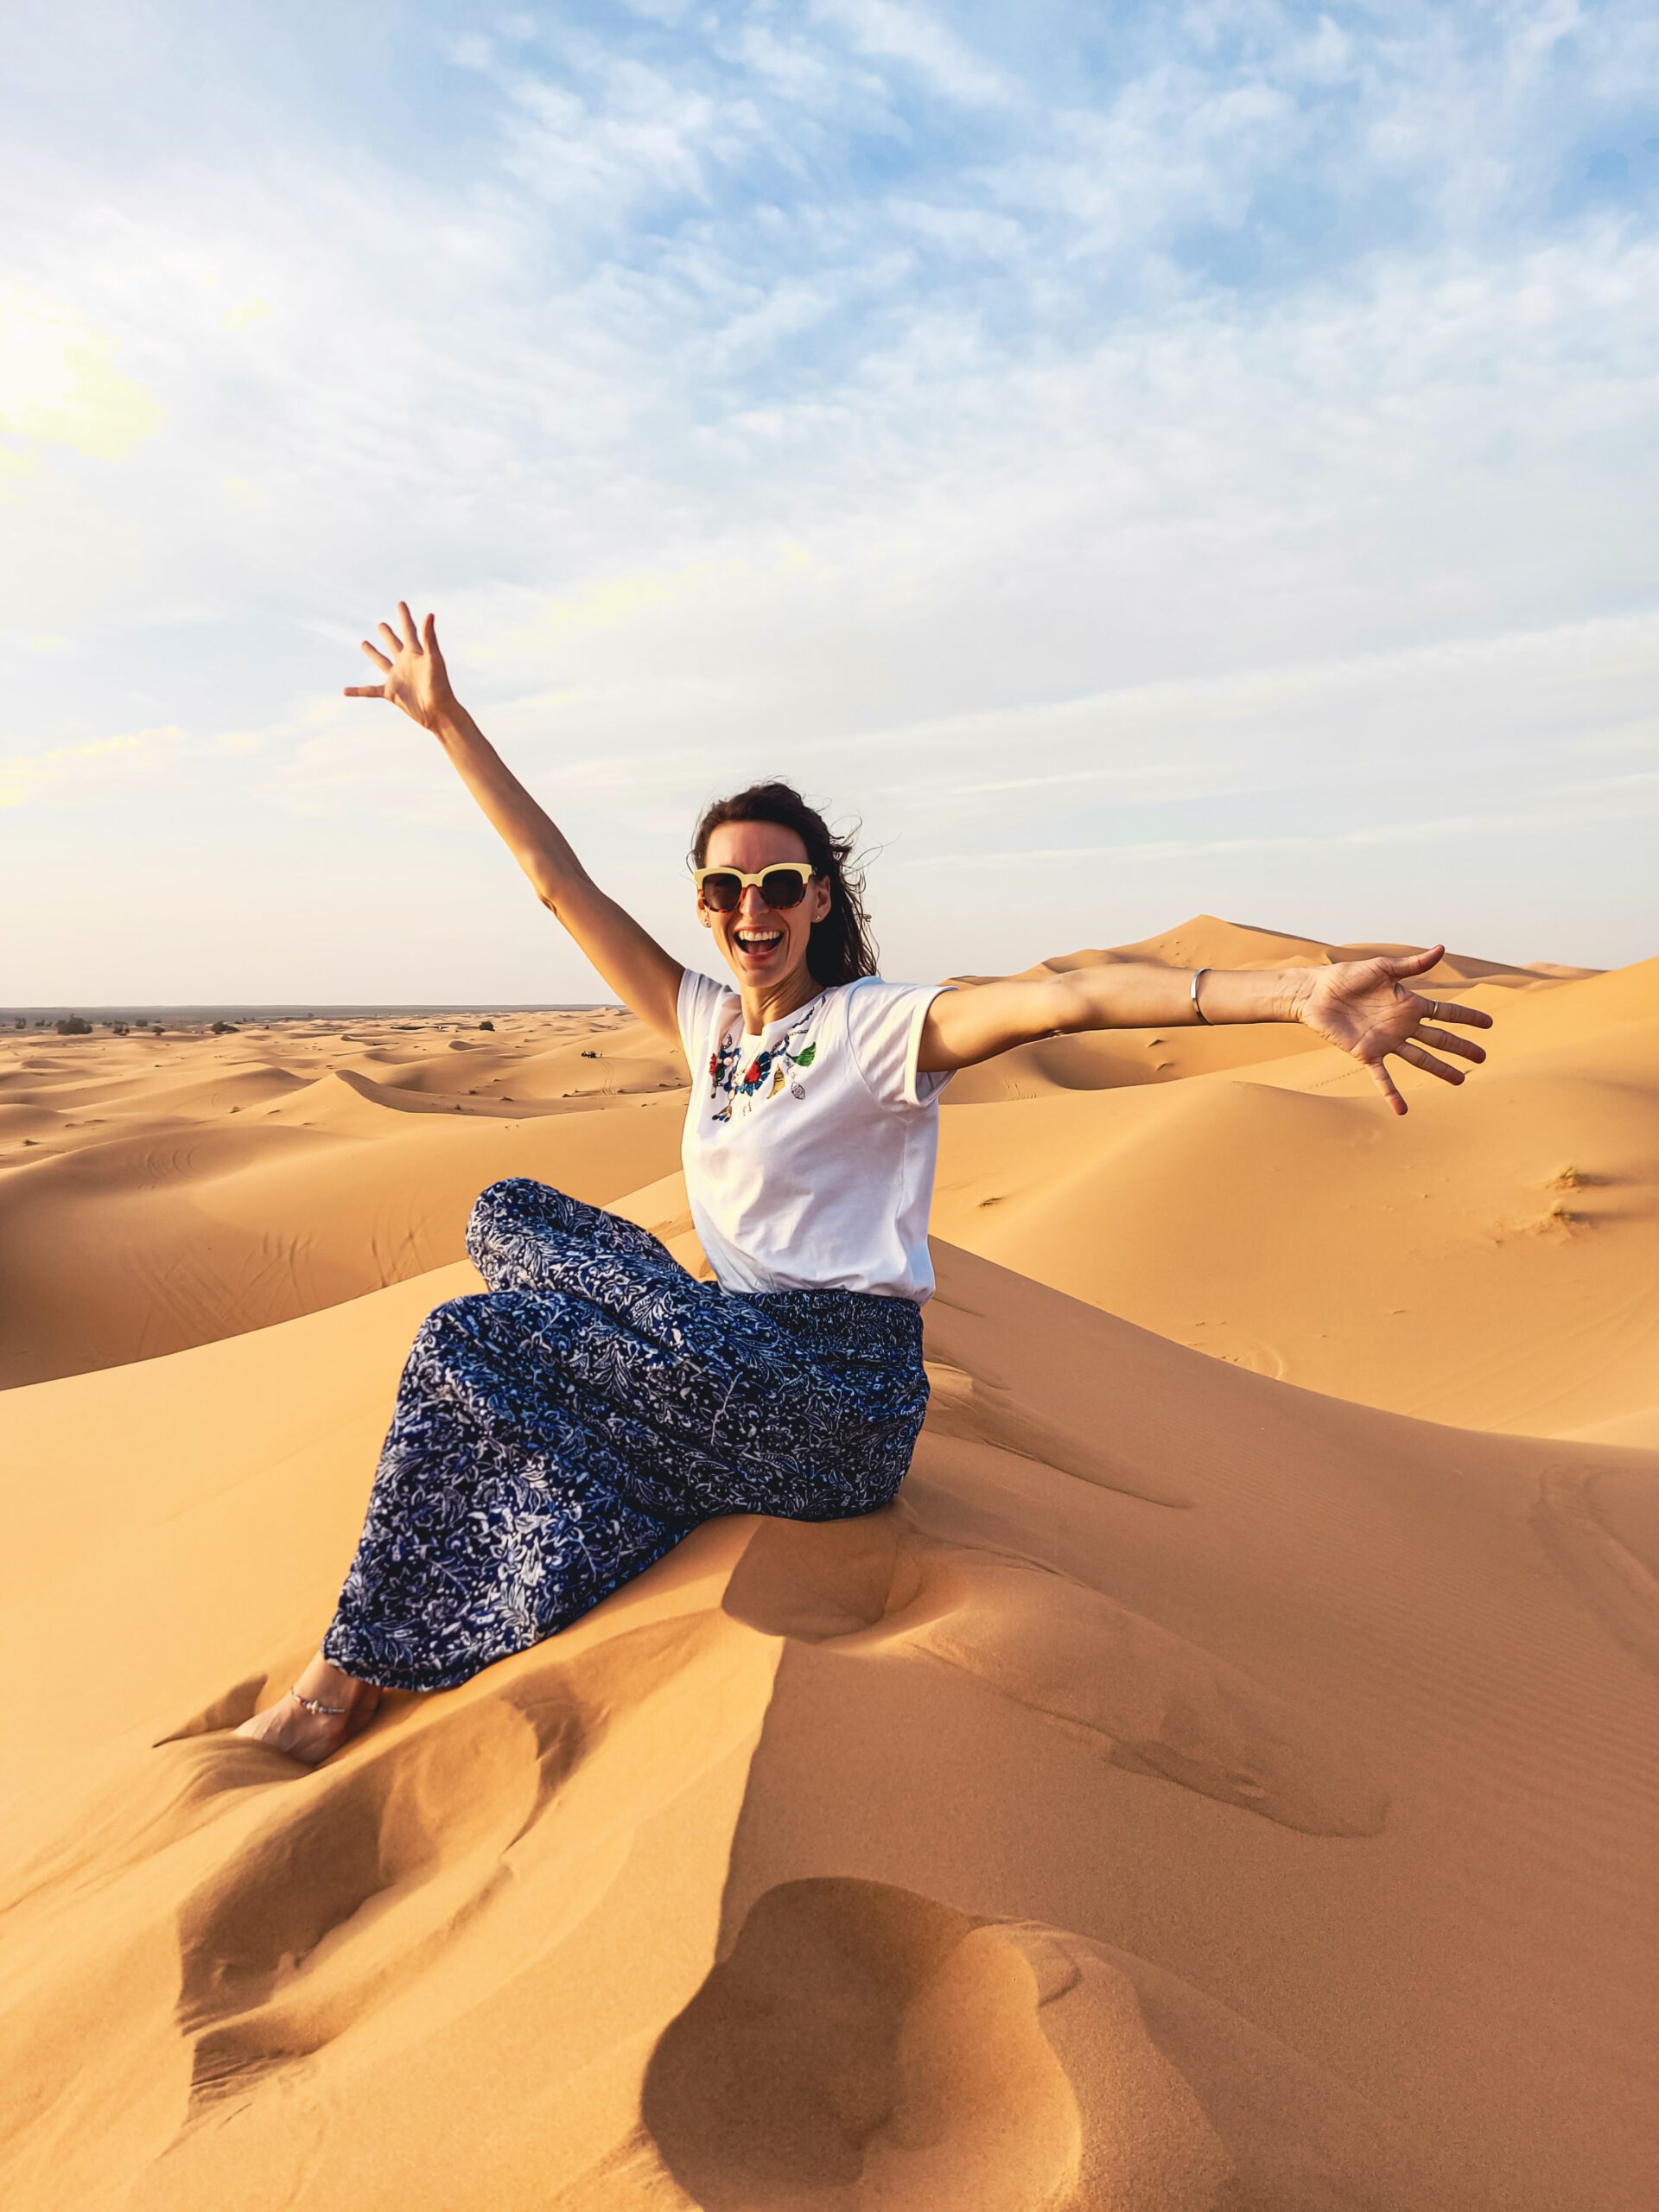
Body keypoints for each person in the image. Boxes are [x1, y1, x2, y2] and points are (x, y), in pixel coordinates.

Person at [234, 601, 1494, 1766]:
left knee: (468, 1337)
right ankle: (580, 1514)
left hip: (836, 1403)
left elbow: (1062, 1001)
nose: (752, 909)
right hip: (728, 1355)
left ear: (818, 899)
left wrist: (1295, 990)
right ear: (705, 907)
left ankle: (344, 1675)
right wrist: (447, 722)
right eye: (725, 889)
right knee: (505, 1220)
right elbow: (558, 884)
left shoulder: (874, 1026)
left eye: (778, 886)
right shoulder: (704, 1026)